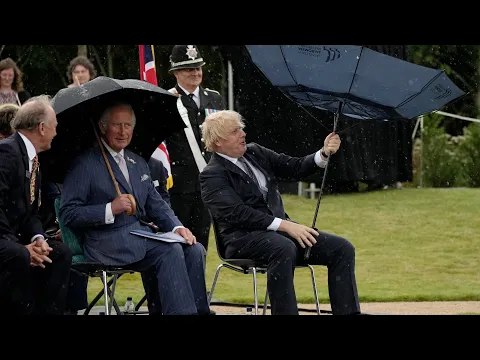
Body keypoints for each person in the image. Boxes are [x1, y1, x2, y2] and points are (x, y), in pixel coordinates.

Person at [199, 110, 362, 315]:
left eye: (241, 128)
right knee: (283, 247)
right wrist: (284, 225)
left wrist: (323, 153)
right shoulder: (212, 175)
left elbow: (294, 167)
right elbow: (237, 213)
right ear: (218, 142)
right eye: (235, 131)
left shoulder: (255, 152)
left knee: (341, 248)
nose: (243, 134)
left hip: (279, 234)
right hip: (240, 240)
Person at [59, 102, 211, 315]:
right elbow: (68, 214)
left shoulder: (138, 162)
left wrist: (177, 228)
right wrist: (109, 209)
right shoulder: (84, 164)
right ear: (102, 127)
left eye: (128, 125)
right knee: (169, 250)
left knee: (194, 249)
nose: (123, 131)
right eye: (117, 125)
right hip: (106, 243)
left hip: (140, 236)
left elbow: (155, 203)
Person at [0, 95, 72, 315]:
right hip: (3, 237)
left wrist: (38, 240)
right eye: (55, 126)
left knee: (58, 253)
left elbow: (32, 212)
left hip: (14, 237)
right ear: (42, 127)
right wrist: (21, 247)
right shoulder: (7, 152)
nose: (56, 133)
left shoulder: (34, 160)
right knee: (18, 255)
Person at [166, 45, 226, 254]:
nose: (195, 73)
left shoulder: (215, 98)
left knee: (201, 240)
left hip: (207, 182)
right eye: (188, 69)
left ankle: (198, 286)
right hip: (179, 182)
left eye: (198, 67)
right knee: (177, 240)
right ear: (175, 72)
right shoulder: (166, 100)